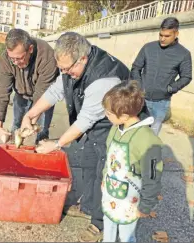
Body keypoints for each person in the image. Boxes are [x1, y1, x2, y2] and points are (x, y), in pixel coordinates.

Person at [20, 32, 130, 242]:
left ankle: (100, 224)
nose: (64, 73)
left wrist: (56, 144)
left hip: (117, 128)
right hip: (97, 124)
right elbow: (55, 92)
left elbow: (84, 121)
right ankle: (88, 206)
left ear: (83, 58)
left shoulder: (103, 80)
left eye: (67, 69)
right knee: (88, 164)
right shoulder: (72, 68)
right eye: (61, 69)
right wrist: (30, 114)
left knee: (105, 176)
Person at [101, 80, 164, 242]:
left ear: (123, 116)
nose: (105, 115)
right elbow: (109, 157)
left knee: (126, 235)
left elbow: (152, 176)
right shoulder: (115, 128)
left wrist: (146, 205)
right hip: (110, 193)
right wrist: (104, 177)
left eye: (108, 113)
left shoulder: (147, 140)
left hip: (129, 200)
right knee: (108, 228)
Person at [0, 29, 59, 144]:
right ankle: (15, 148)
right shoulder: (6, 59)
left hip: (44, 96)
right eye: (12, 59)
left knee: (41, 129)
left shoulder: (47, 56)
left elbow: (42, 93)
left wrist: (31, 119)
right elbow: (1, 91)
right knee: (17, 125)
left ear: (30, 49)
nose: (15, 63)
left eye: (19, 58)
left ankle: (40, 148)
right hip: (21, 94)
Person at [130, 17, 192, 135]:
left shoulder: (183, 54)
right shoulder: (148, 48)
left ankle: (149, 153)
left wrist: (169, 89)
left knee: (152, 133)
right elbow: (136, 68)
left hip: (161, 102)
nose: (162, 39)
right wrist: (139, 86)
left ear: (176, 34)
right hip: (141, 98)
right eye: (160, 35)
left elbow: (186, 77)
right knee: (135, 130)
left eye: (167, 36)